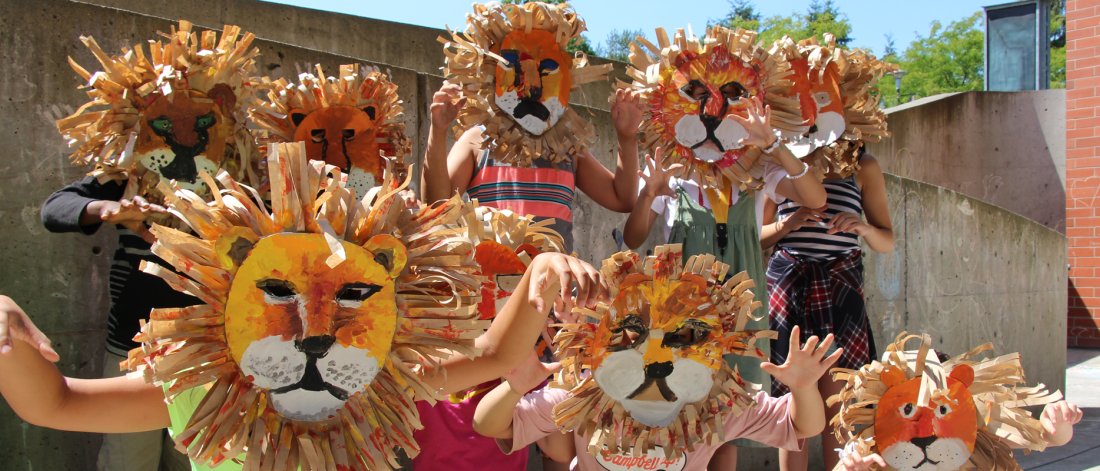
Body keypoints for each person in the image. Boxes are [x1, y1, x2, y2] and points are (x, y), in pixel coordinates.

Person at [0, 247, 601, 470]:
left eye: (346, 303)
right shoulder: (204, 391)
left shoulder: (372, 380)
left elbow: (494, 352)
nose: (313, 328)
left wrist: (541, 273)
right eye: (279, 296)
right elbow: (53, 402)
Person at [622, 97, 826, 469]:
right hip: (680, 316)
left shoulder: (760, 172)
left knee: (727, 420)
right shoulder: (674, 174)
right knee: (677, 409)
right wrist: (650, 192)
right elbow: (633, 237)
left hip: (742, 319)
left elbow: (816, 197)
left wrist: (773, 145)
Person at [472, 326, 842, 471]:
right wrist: (516, 387)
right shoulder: (586, 394)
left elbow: (803, 425)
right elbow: (488, 424)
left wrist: (803, 388)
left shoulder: (714, 403)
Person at [759, 148, 893, 471]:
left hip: (841, 293)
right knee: (793, 411)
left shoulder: (864, 165)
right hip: (790, 290)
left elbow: (887, 240)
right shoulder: (781, 160)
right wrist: (788, 224)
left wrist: (863, 228)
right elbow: (757, 237)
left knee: (839, 409)